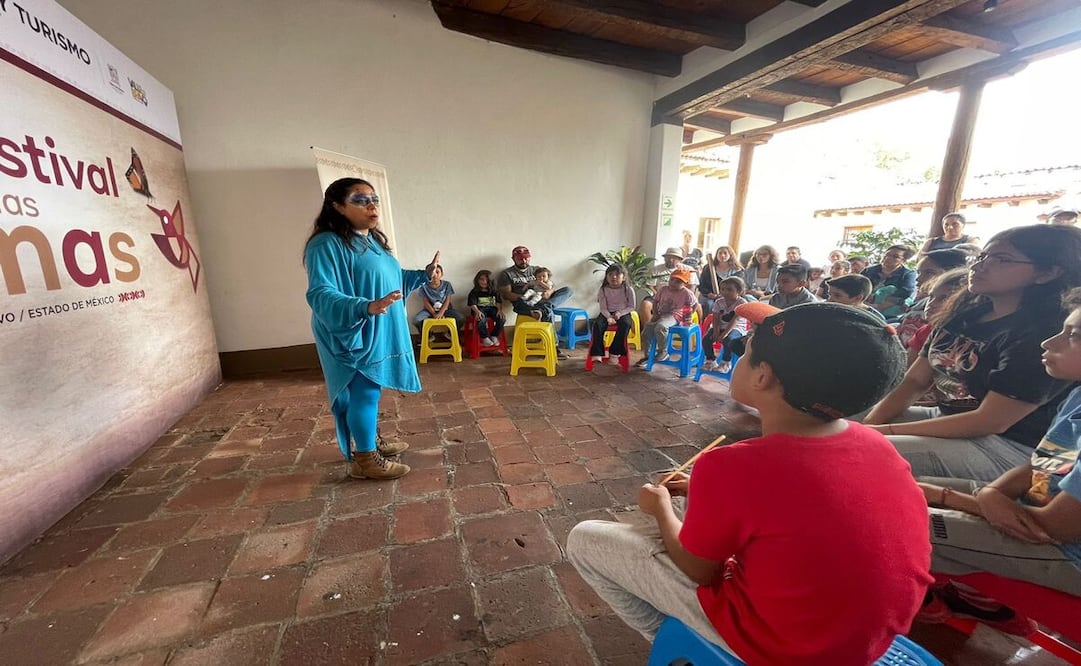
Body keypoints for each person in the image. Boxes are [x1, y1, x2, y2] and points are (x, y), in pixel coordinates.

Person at [568, 303, 932, 664]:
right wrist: (698, 492)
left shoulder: (731, 464)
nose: (738, 359)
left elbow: (700, 571)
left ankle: (681, 639)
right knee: (689, 507)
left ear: (763, 377)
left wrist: (660, 508)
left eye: (747, 351)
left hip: (782, 647)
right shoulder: (876, 444)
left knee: (584, 539)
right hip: (865, 644)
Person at [912, 288, 1081, 630]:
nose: (1049, 343)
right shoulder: (1077, 393)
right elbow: (1042, 463)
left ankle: (902, 603)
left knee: (889, 519)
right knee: (891, 486)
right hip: (1030, 504)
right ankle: (972, 598)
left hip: (1064, 552)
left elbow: (1056, 527)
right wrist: (990, 495)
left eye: (1073, 336)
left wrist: (949, 498)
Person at [863, 224, 1081, 482]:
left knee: (865, 450)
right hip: (946, 417)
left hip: (1005, 446)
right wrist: (869, 423)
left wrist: (880, 432)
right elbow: (915, 381)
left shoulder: (1044, 334)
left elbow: (989, 421)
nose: (981, 266)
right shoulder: (967, 312)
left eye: (1001, 259)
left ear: (1046, 273)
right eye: (982, 257)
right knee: (831, 420)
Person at [304, 177, 440, 481]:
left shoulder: (370, 239)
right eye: (360, 199)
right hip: (352, 329)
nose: (372, 205)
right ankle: (365, 460)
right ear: (338, 207)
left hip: (376, 324)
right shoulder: (326, 244)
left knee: (366, 391)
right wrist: (364, 307)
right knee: (364, 391)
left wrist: (423, 274)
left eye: (374, 199)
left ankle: (369, 442)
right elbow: (320, 293)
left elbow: (390, 278)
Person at [896, 249, 969, 349]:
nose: (918, 279)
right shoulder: (919, 305)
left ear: (950, 274)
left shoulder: (943, 326)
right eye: (919, 273)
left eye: (929, 273)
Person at [905, 268, 968, 369]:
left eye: (944, 299)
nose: (931, 304)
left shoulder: (966, 341)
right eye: (931, 296)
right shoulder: (925, 331)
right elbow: (905, 366)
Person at [636, 268, 699, 367]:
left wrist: (689, 314)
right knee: (647, 329)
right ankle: (648, 355)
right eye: (672, 280)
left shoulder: (686, 293)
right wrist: (655, 314)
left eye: (678, 281)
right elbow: (656, 301)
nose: (673, 283)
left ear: (685, 283)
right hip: (661, 314)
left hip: (675, 315)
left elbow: (695, 304)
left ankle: (663, 352)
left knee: (661, 326)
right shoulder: (663, 289)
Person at [496, 245, 573, 327]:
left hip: (543, 298)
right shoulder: (507, 273)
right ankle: (551, 335)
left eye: (526, 258)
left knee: (568, 290)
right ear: (513, 259)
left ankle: (545, 307)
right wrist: (527, 297)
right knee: (547, 312)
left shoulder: (537, 270)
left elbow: (551, 284)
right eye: (520, 259)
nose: (524, 261)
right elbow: (506, 295)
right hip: (526, 302)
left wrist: (549, 292)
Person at [701, 277, 752, 373]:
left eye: (729, 289)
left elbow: (734, 320)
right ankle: (710, 360)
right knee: (706, 339)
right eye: (723, 289)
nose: (725, 292)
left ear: (739, 291)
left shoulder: (741, 303)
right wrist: (716, 332)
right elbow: (715, 318)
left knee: (729, 340)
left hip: (736, 328)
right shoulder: (719, 302)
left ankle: (726, 362)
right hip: (720, 326)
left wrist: (724, 334)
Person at [590, 263, 636, 365]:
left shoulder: (628, 289)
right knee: (597, 325)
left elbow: (631, 306)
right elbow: (603, 308)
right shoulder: (603, 290)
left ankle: (614, 353)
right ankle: (597, 353)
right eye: (610, 274)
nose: (614, 277)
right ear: (606, 277)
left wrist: (620, 313)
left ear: (623, 277)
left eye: (617, 274)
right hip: (606, 312)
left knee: (626, 324)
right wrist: (608, 317)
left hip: (623, 312)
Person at [641, 247, 693, 324]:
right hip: (658, 295)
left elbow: (692, 286)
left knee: (697, 305)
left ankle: (699, 328)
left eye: (674, 258)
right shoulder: (656, 269)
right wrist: (658, 295)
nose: (670, 260)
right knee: (645, 305)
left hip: (680, 298)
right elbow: (650, 286)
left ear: (679, 259)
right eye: (668, 257)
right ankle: (649, 327)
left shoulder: (687, 269)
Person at [862, 245, 917, 316]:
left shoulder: (908, 274)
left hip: (889, 311)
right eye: (887, 254)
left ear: (904, 260)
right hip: (863, 305)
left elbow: (906, 291)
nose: (888, 258)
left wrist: (881, 306)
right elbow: (857, 286)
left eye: (895, 257)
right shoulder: (869, 270)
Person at [412, 264, 464, 334]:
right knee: (416, 320)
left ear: (442, 274)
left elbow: (447, 300)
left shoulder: (447, 284)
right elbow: (426, 302)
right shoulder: (423, 286)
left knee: (461, 318)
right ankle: (428, 335)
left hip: (446, 310)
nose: (434, 275)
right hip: (429, 311)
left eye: (437, 272)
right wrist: (434, 313)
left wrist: (441, 313)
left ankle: (450, 334)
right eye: (431, 273)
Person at [697, 246, 743, 313]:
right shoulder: (708, 268)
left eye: (725, 253)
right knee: (709, 304)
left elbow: (739, 287)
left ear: (730, 255)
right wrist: (709, 294)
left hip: (730, 296)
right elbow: (701, 284)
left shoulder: (737, 270)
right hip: (709, 295)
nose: (722, 255)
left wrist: (724, 295)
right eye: (720, 253)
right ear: (716, 255)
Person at [467, 269, 504, 347]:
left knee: (502, 318)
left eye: (486, 280)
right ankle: (484, 337)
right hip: (479, 310)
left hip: (492, 309)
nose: (484, 282)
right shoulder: (474, 292)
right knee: (481, 318)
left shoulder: (494, 291)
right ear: (477, 280)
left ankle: (494, 335)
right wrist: (477, 312)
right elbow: (472, 304)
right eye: (481, 279)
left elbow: (498, 301)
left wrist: (500, 310)